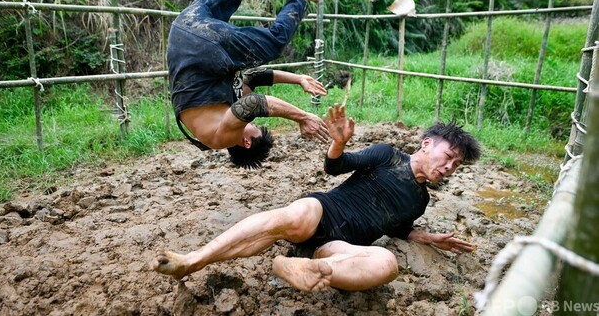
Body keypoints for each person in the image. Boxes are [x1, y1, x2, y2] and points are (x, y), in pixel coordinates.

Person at [151, 104, 482, 292]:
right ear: (426, 144)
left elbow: (397, 228)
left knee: (387, 263)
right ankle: (191, 261)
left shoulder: (420, 201)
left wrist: (426, 237)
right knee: (294, 217)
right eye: (448, 155)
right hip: (324, 210)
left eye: (456, 164)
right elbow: (335, 165)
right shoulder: (387, 155)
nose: (450, 166)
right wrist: (337, 143)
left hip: (341, 245)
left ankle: (299, 267)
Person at [168, 0, 328, 169]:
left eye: (254, 129)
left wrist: (301, 117)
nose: (251, 124)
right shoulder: (221, 111)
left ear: (245, 142)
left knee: (275, 42)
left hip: (200, 46)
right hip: (186, 27)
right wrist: (298, 78)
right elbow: (256, 79)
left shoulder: (222, 136)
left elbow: (254, 104)